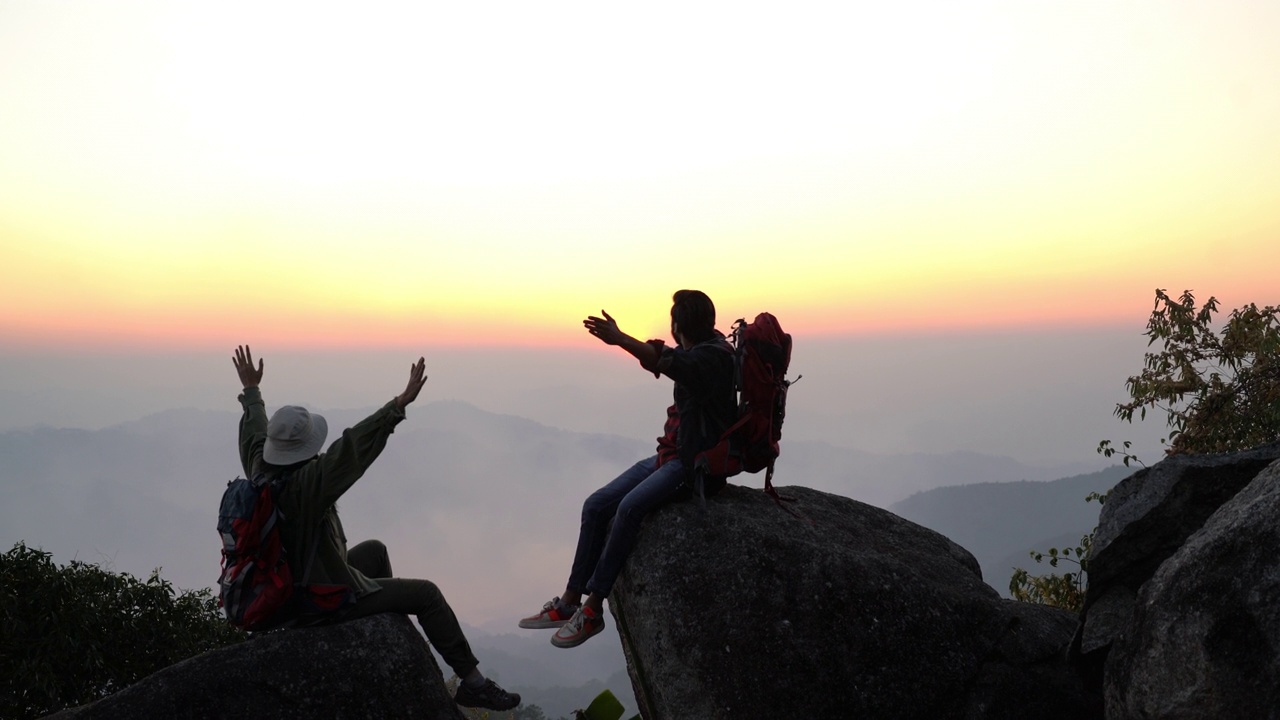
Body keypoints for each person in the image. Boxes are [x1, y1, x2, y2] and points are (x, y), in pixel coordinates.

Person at [231, 345, 519, 712]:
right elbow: (352, 449)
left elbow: (254, 435)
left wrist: (252, 391)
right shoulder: (307, 485)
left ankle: (389, 632)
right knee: (427, 595)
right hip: (315, 600)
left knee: (375, 551)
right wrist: (397, 406)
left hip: (290, 585)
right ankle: (474, 683)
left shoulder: (260, 471)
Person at [518, 290, 736, 648]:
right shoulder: (703, 348)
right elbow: (665, 357)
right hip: (672, 454)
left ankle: (592, 608)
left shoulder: (712, 360)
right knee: (596, 504)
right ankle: (568, 601)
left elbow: (665, 360)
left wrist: (620, 339)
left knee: (628, 509)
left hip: (693, 467)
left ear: (679, 324)